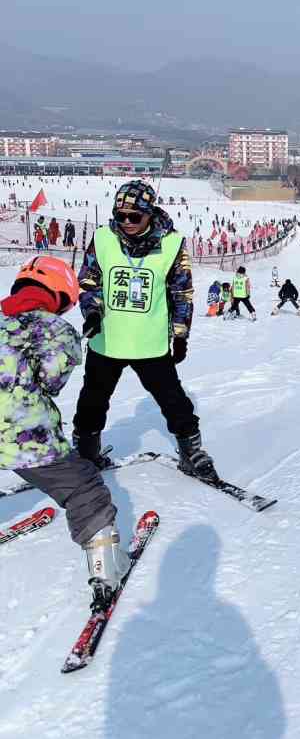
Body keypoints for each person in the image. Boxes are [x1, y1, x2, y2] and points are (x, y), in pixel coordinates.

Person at [0, 256, 131, 607]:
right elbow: (50, 380)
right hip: (23, 437)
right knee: (83, 487)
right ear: (58, 295)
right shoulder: (55, 328)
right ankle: (106, 569)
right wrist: (71, 346)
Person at [72, 180, 217, 481]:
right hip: (107, 340)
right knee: (92, 401)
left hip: (149, 343)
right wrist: (92, 311)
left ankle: (192, 452)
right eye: (120, 215)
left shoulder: (172, 244)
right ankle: (86, 452)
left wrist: (180, 334)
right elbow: (88, 281)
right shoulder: (102, 239)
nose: (126, 223)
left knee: (174, 401)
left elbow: (181, 293)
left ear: (149, 214)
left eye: (134, 217)